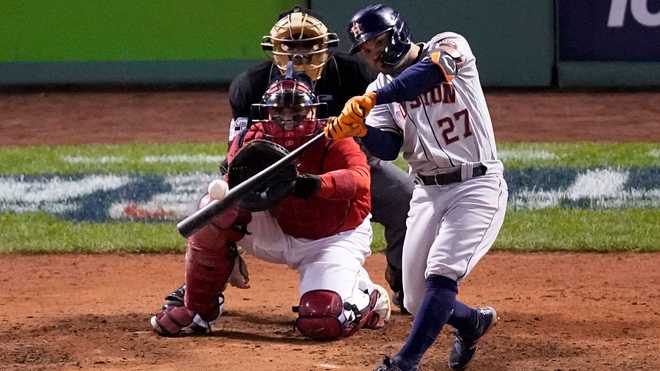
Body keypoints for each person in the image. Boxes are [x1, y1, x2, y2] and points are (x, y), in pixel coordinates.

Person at [162, 6, 414, 312]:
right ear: (274, 49)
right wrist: (231, 233)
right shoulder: (250, 84)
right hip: (272, 172)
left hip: (345, 160)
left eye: (308, 45)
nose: (299, 55)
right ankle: (204, 283)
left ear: (326, 47)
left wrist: (335, 168)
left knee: (405, 199)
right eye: (290, 47)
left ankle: (405, 284)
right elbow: (239, 155)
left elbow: (376, 136)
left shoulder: (356, 74)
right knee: (216, 208)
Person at [324, 4, 508, 370]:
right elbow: (389, 147)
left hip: (475, 184)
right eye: (366, 51)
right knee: (414, 297)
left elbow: (431, 72)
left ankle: (405, 362)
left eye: (376, 43)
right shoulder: (378, 88)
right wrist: (360, 131)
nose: (373, 55)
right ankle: (472, 323)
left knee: (441, 275)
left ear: (397, 34)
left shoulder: (448, 45)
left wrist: (375, 99)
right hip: (426, 192)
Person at [150, 69, 391, 339]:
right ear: (266, 112)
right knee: (213, 210)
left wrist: (314, 184)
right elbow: (233, 185)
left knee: (321, 320)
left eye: (296, 113)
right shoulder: (253, 137)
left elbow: (359, 179)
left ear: (313, 111)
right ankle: (198, 310)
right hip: (277, 226)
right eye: (279, 114)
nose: (287, 122)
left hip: (332, 238)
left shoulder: (333, 133)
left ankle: (367, 297)